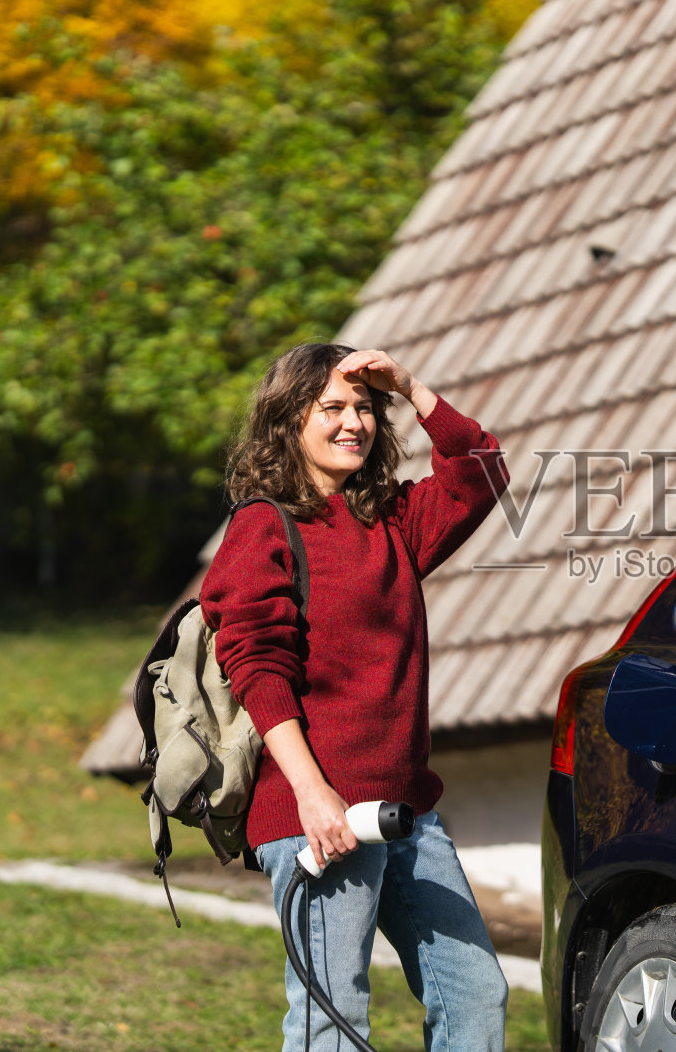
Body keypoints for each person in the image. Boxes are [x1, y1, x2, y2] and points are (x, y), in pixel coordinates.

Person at [200, 342, 510, 1051]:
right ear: (289, 422)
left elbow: (482, 473)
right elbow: (256, 667)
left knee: (475, 993)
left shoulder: (392, 519)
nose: (353, 423)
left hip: (405, 810)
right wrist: (312, 795)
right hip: (320, 813)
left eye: (365, 408)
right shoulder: (263, 525)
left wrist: (410, 385)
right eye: (331, 408)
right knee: (333, 1022)